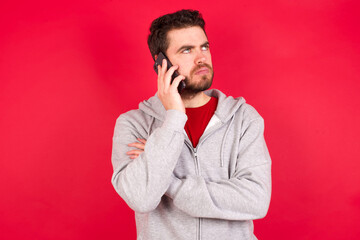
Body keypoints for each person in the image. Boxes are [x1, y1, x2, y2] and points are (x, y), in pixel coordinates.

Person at [111, 9, 272, 240]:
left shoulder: (244, 118)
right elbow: (141, 198)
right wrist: (174, 117)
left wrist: (171, 183)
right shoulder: (133, 124)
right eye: (187, 50)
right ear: (161, 64)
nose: (201, 58)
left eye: (204, 47)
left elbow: (256, 200)